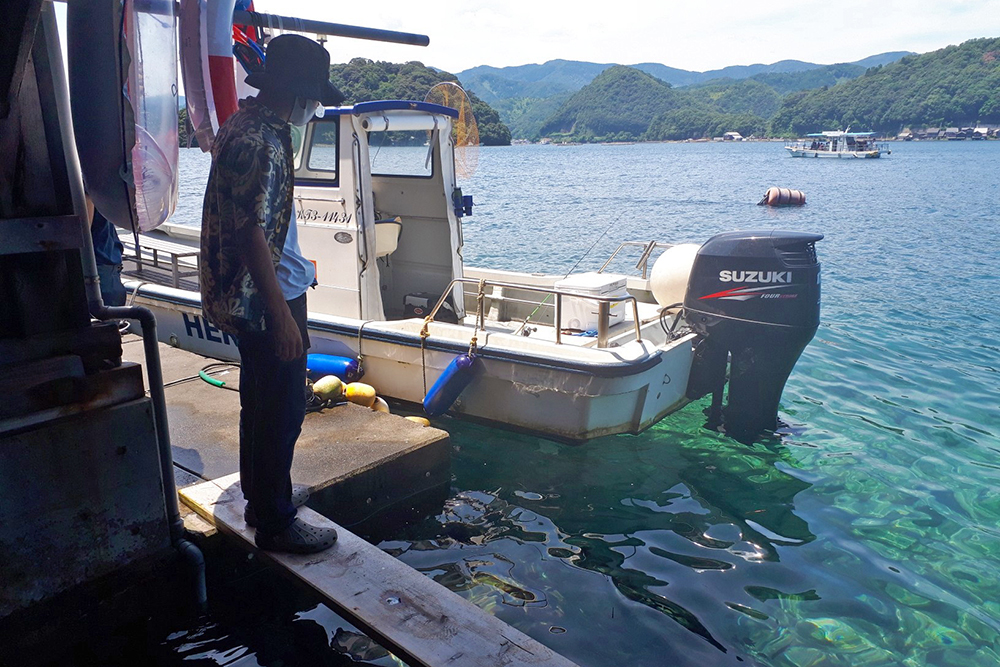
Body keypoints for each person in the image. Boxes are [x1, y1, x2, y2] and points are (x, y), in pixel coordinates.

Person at [199, 34, 343, 554]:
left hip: (253, 292)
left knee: (259, 398)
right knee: (281, 407)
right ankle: (276, 521)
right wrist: (282, 316)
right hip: (266, 299)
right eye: (315, 96)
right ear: (298, 92)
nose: (317, 106)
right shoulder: (260, 142)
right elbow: (249, 232)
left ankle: (264, 497)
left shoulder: (246, 123)